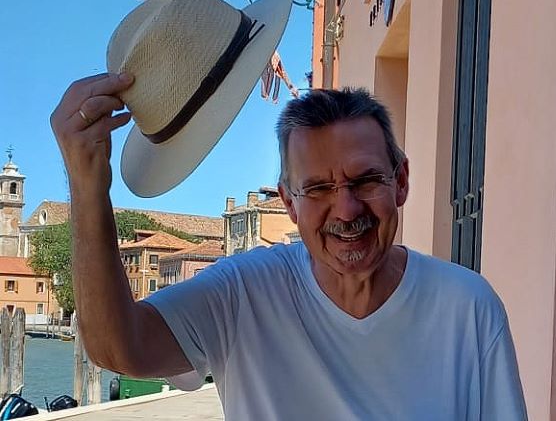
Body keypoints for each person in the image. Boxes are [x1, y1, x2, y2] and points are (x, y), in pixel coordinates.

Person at [51, 78, 527, 420]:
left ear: (400, 181)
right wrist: (87, 183)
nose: (346, 209)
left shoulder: (469, 307)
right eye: (318, 188)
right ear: (289, 203)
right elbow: (119, 348)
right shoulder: (242, 293)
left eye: (365, 180)